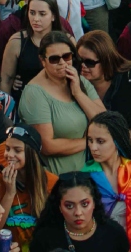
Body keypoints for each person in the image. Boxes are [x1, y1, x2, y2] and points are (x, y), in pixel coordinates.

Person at [18, 29, 104, 174]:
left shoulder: (79, 81)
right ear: (42, 61)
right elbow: (47, 146)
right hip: (57, 180)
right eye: (54, 59)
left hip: (88, 173)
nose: (62, 63)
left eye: (67, 56)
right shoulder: (34, 93)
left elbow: (105, 122)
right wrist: (91, 142)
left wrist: (77, 93)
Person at [84, 110, 131, 252]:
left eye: (100, 141)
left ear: (117, 141)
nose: (93, 147)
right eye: (90, 140)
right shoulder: (84, 177)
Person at [0, 122, 56, 247]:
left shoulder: (52, 183)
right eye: (7, 148)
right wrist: (10, 193)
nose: (9, 155)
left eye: (17, 150)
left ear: (32, 154)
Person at [29, 170, 130, 252]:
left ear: (94, 203)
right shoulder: (45, 238)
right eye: (69, 206)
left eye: (84, 204)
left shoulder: (114, 233)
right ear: (59, 207)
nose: (78, 212)